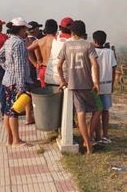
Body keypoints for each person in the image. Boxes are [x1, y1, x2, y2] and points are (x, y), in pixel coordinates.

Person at [57, 20, 101, 154]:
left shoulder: (66, 45)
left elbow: (59, 66)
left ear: (72, 32)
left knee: (80, 114)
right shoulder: (89, 45)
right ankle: (89, 136)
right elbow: (95, 65)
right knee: (99, 108)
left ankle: (87, 145)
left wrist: (63, 81)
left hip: (73, 85)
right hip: (87, 84)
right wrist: (97, 82)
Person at [0, 18, 32, 146]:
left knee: (6, 111)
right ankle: (16, 140)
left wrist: (7, 68)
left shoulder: (8, 41)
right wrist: (21, 87)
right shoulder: (19, 43)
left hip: (7, 80)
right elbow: (19, 66)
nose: (26, 31)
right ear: (21, 29)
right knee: (14, 112)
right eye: (25, 29)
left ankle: (9, 139)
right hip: (16, 83)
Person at [92, 31, 117, 144]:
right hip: (107, 85)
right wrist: (112, 85)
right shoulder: (110, 52)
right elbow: (113, 70)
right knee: (105, 111)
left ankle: (97, 136)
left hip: (95, 85)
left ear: (94, 40)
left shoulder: (91, 51)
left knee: (96, 111)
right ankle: (105, 135)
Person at [27, 19, 57, 88]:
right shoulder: (56, 41)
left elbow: (27, 50)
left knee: (44, 93)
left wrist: (35, 62)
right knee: (56, 93)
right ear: (56, 29)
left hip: (42, 70)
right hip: (53, 69)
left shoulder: (39, 41)